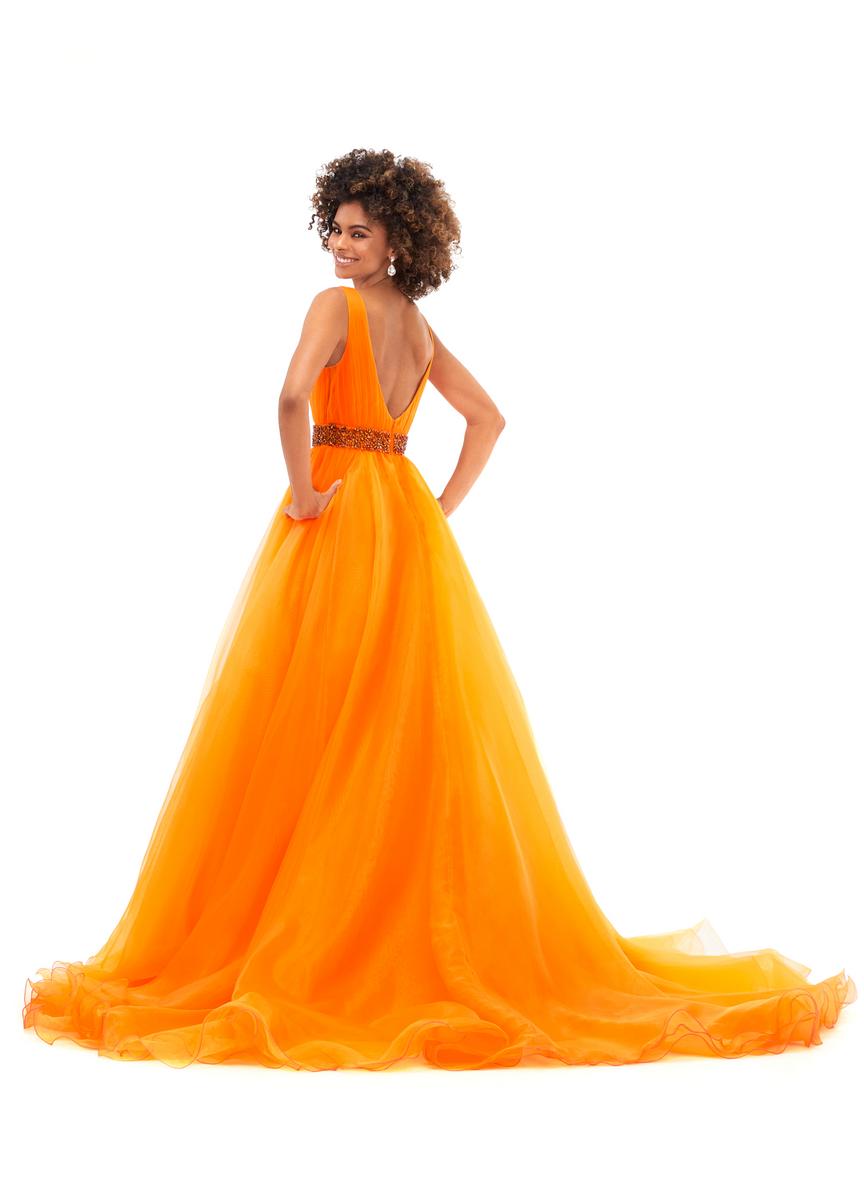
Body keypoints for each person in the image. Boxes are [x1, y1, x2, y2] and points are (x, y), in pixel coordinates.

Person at [22, 148, 856, 1072]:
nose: (341, 246)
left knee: (308, 714)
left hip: (340, 510)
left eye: (360, 232)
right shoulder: (417, 329)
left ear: (398, 242)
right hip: (404, 519)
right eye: (335, 229)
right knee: (395, 726)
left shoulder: (331, 309)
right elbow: (488, 417)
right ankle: (389, 923)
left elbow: (292, 396)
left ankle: (315, 933)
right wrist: (438, 508)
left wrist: (304, 494)